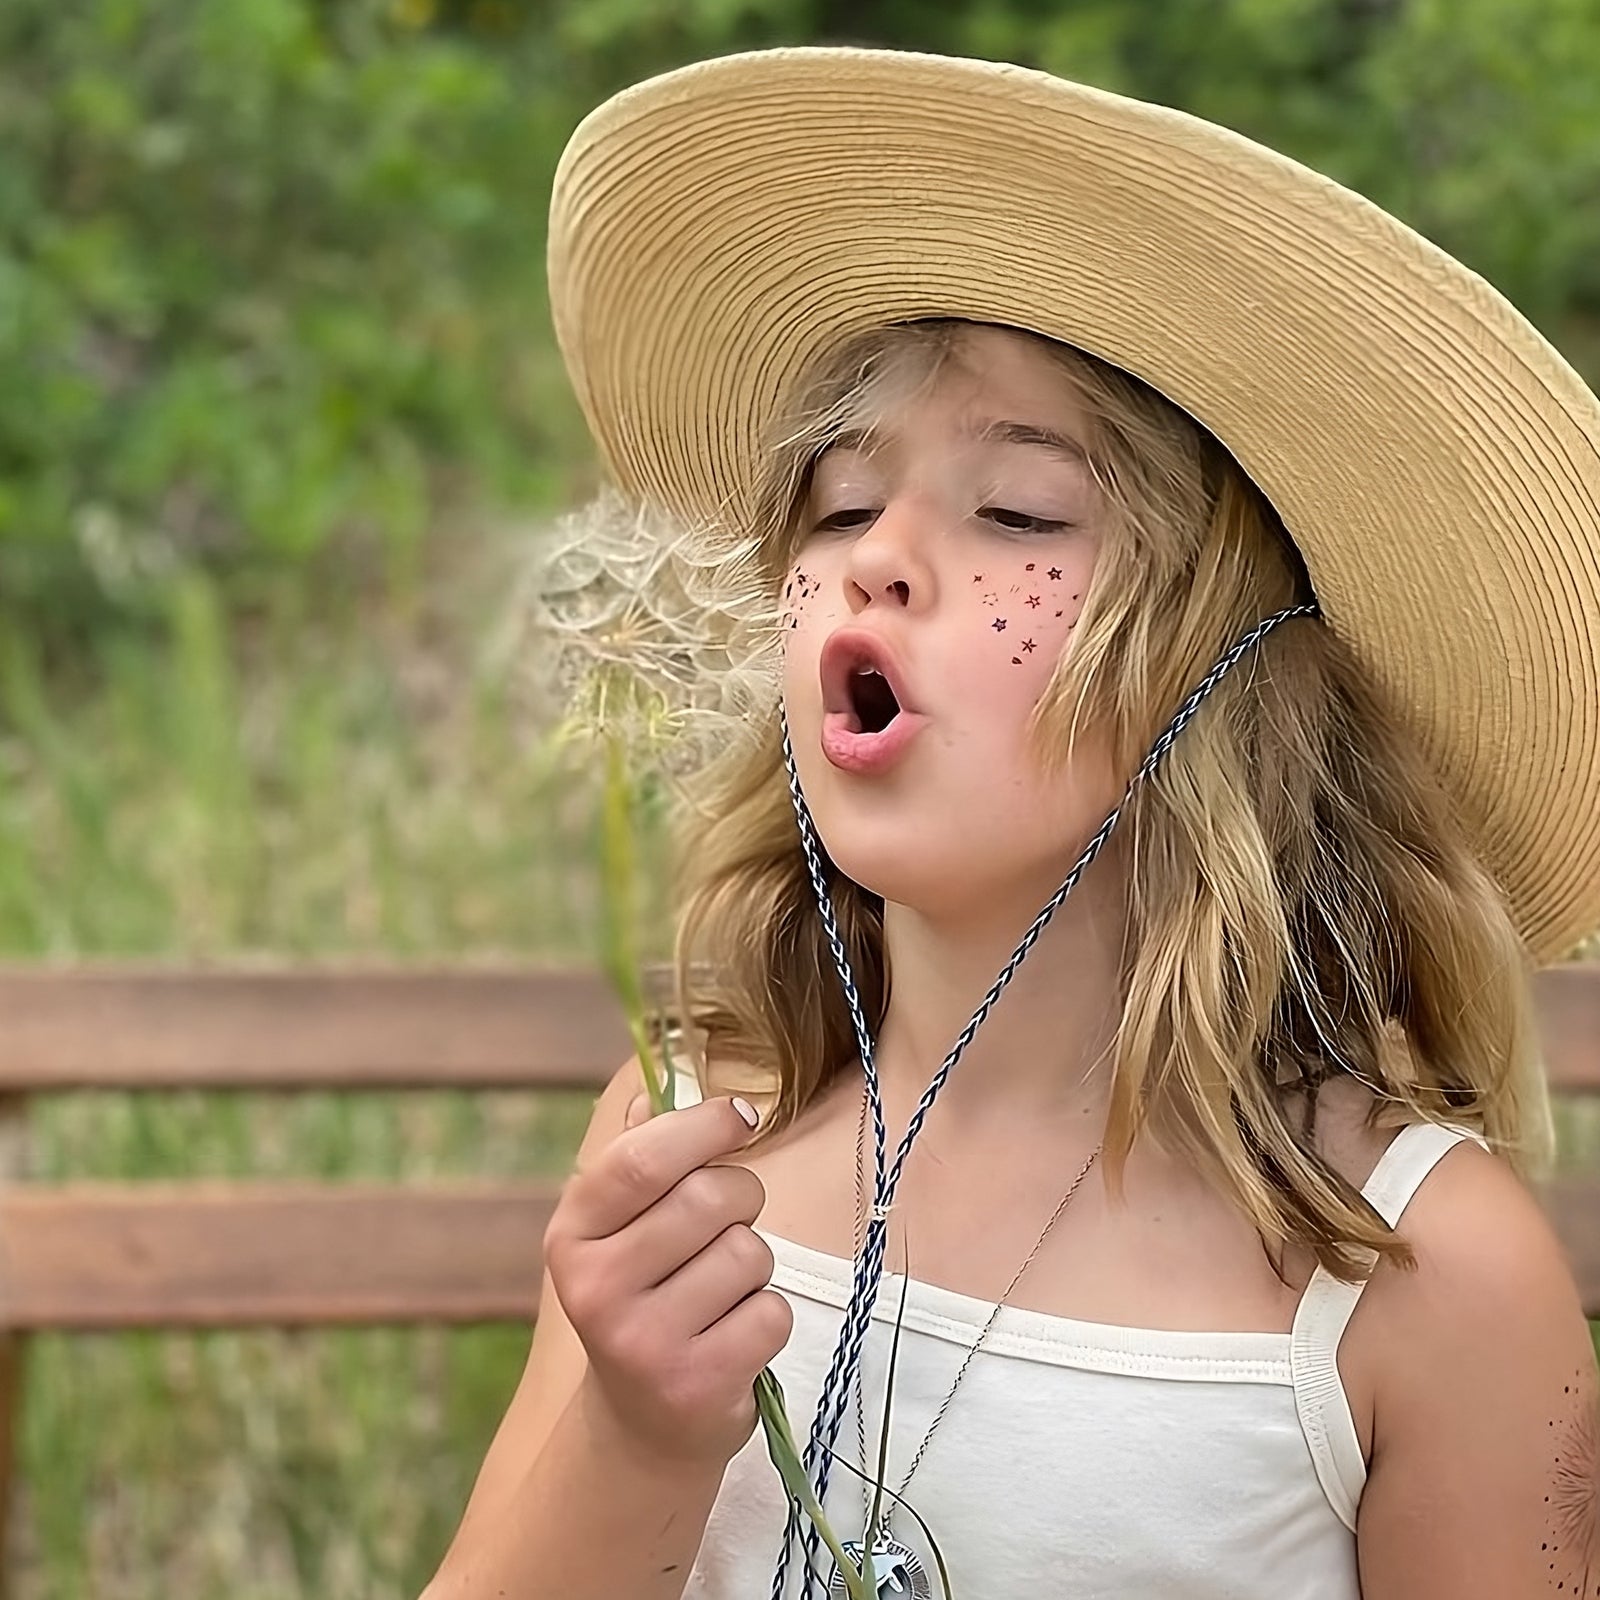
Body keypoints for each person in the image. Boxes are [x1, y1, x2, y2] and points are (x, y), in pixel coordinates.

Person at [422, 46, 1600, 1600]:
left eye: (1022, 515)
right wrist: (640, 1442)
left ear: (1233, 675)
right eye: (840, 507)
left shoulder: (1422, 1274)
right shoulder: (694, 1132)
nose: (879, 558)